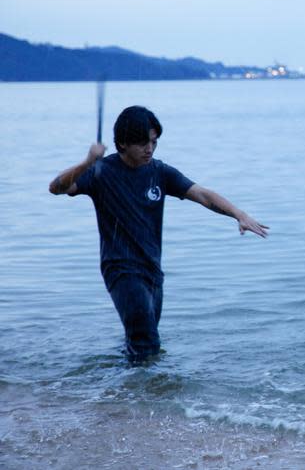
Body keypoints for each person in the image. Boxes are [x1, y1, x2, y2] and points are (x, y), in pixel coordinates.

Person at [49, 105, 268, 361]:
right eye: (142, 143)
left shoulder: (159, 172)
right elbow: (57, 188)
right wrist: (88, 162)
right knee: (146, 343)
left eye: (153, 142)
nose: (149, 149)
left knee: (141, 342)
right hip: (121, 270)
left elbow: (203, 195)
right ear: (122, 144)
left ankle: (124, 394)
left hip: (152, 271)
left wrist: (239, 214)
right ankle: (140, 397)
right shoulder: (101, 172)